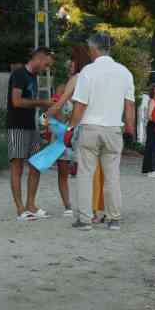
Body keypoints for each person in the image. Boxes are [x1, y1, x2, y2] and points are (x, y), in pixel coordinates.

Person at [68, 32, 135, 230]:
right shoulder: (125, 72)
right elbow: (129, 105)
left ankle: (85, 219)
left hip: (90, 127)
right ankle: (114, 218)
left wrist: (71, 127)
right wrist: (129, 128)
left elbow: (80, 106)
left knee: (85, 174)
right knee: (112, 175)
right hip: (113, 128)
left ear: (93, 49)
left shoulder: (88, 72)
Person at [7, 47, 55, 221]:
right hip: (17, 126)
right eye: (46, 64)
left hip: (31, 127)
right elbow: (17, 101)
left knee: (36, 165)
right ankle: (20, 209)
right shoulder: (19, 75)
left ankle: (31, 205)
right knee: (17, 167)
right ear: (39, 58)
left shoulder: (34, 77)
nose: (46, 68)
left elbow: (31, 103)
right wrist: (42, 102)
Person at [46, 44, 94, 216]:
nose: (69, 64)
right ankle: (69, 205)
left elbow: (61, 106)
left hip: (73, 131)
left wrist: (47, 116)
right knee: (67, 170)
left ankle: (76, 206)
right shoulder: (66, 84)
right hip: (68, 131)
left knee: (74, 171)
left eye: (72, 60)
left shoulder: (80, 79)